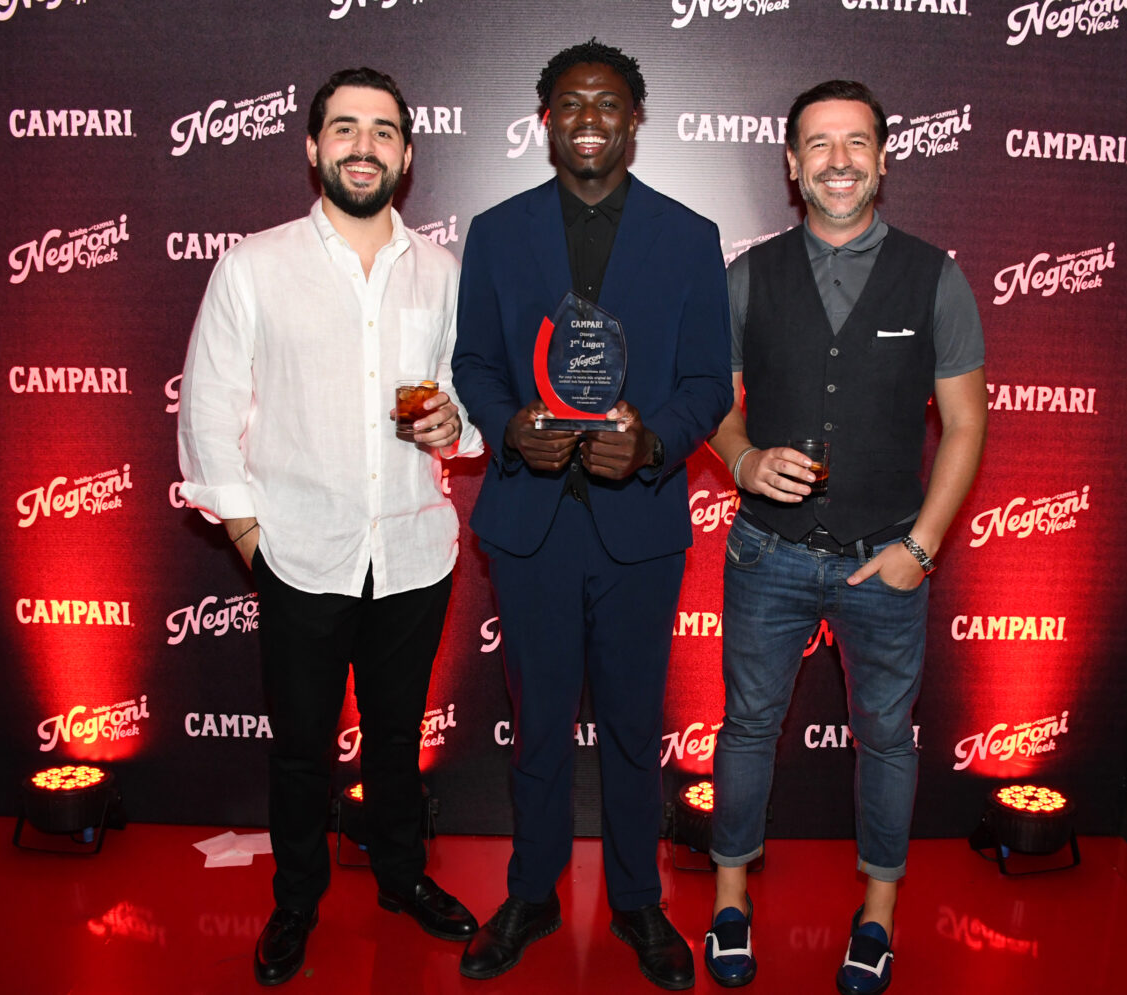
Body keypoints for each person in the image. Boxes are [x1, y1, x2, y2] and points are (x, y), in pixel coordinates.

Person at [177, 67, 481, 987]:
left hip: (413, 552)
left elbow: (470, 407)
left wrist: (453, 428)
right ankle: (297, 897)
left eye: (383, 131)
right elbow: (208, 409)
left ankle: (400, 876)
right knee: (302, 744)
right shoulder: (254, 266)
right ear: (312, 148)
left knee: (397, 739)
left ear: (407, 155)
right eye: (344, 129)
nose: (363, 145)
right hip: (298, 554)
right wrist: (247, 540)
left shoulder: (442, 271)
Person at [452, 39, 731, 992]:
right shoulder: (495, 231)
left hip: (639, 524)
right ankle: (530, 893)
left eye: (607, 104)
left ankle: (636, 901)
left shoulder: (691, 236)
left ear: (634, 121)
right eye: (569, 103)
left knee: (628, 722)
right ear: (544, 120)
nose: (588, 119)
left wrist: (653, 444)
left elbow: (706, 385)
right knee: (533, 728)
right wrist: (505, 429)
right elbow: (476, 368)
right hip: (529, 521)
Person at [703, 80, 987, 994]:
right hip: (765, 554)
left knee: (886, 740)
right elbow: (713, 402)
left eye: (855, 142)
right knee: (746, 730)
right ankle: (730, 900)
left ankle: (877, 915)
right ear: (790, 165)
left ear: (883, 158)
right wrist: (743, 461)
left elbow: (967, 423)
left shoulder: (936, 274)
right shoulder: (747, 275)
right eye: (818, 145)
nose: (837, 160)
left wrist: (924, 545)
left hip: (886, 561)